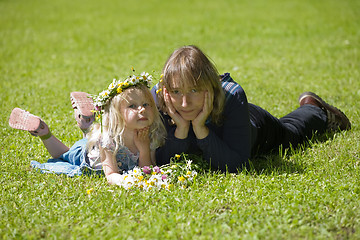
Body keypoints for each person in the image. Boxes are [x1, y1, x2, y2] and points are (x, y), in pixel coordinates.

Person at [151, 45, 351, 173]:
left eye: (194, 90)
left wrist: (201, 129)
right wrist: (181, 130)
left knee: (292, 132)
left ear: (209, 87)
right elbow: (160, 161)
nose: (184, 103)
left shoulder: (232, 96)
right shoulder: (159, 98)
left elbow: (237, 164)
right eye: (177, 91)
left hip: (254, 128)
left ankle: (314, 109)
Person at [9, 72, 166, 184]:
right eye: (133, 106)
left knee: (89, 138)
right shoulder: (108, 140)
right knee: (63, 154)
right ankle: (44, 132)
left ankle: (87, 124)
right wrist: (126, 181)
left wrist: (144, 149)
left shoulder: (150, 134)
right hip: (87, 155)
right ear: (116, 114)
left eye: (146, 104)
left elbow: (148, 169)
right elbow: (110, 174)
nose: (142, 109)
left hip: (94, 141)